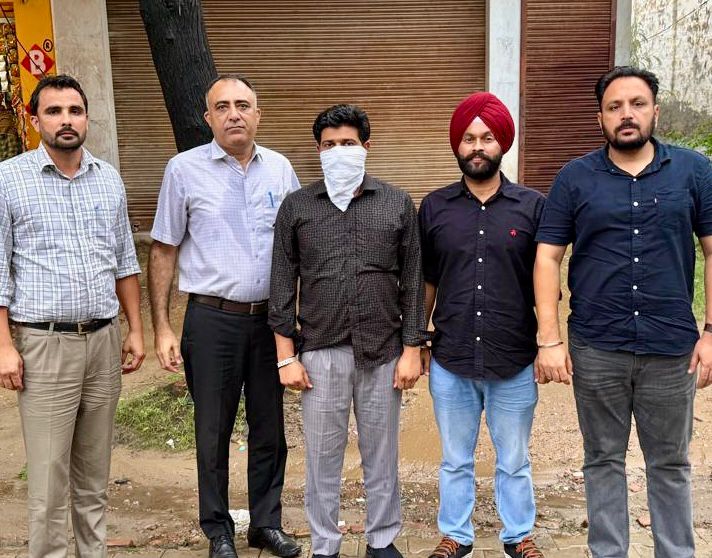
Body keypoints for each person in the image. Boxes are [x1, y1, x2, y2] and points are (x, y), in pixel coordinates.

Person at [534, 66, 712, 558]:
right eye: (615, 107)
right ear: (600, 118)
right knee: (602, 460)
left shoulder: (694, 172)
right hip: (597, 347)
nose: (626, 114)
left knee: (670, 464)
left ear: (655, 111)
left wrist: (711, 332)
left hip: (671, 348)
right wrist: (549, 339)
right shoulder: (574, 178)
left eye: (637, 104)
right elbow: (547, 257)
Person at [149, 74, 301, 558]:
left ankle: (266, 523)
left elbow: (299, 244)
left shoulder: (280, 170)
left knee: (269, 428)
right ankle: (218, 530)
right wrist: (162, 326)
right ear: (208, 117)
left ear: (258, 114)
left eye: (243, 105)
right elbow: (164, 248)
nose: (234, 114)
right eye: (223, 106)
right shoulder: (183, 170)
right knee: (212, 431)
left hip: (271, 322)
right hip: (211, 320)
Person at [269, 104, 425, 558]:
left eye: (348, 143)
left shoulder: (396, 203)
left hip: (384, 351)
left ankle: (382, 540)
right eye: (329, 145)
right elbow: (282, 282)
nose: (339, 151)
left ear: (366, 147)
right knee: (321, 458)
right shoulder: (297, 207)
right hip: (320, 352)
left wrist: (412, 348)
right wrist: (286, 356)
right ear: (318, 151)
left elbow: (413, 279)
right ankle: (325, 545)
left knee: (382, 455)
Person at [0, 74, 145, 557]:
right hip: (44, 346)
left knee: (93, 476)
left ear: (86, 118)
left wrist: (135, 330)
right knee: (48, 480)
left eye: (75, 111)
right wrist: (4, 346)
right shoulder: (9, 179)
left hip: (103, 342)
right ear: (34, 119)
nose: (66, 120)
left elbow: (124, 261)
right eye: (55, 111)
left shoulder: (108, 177)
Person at [419, 92, 545, 558]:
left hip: (513, 357)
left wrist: (549, 342)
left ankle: (518, 535)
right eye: (469, 138)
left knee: (514, 458)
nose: (477, 146)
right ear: (457, 144)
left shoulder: (533, 207)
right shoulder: (434, 207)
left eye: (487, 138)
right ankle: (456, 535)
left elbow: (545, 279)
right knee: (455, 458)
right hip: (451, 356)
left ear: (502, 143)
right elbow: (427, 280)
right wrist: (419, 339)